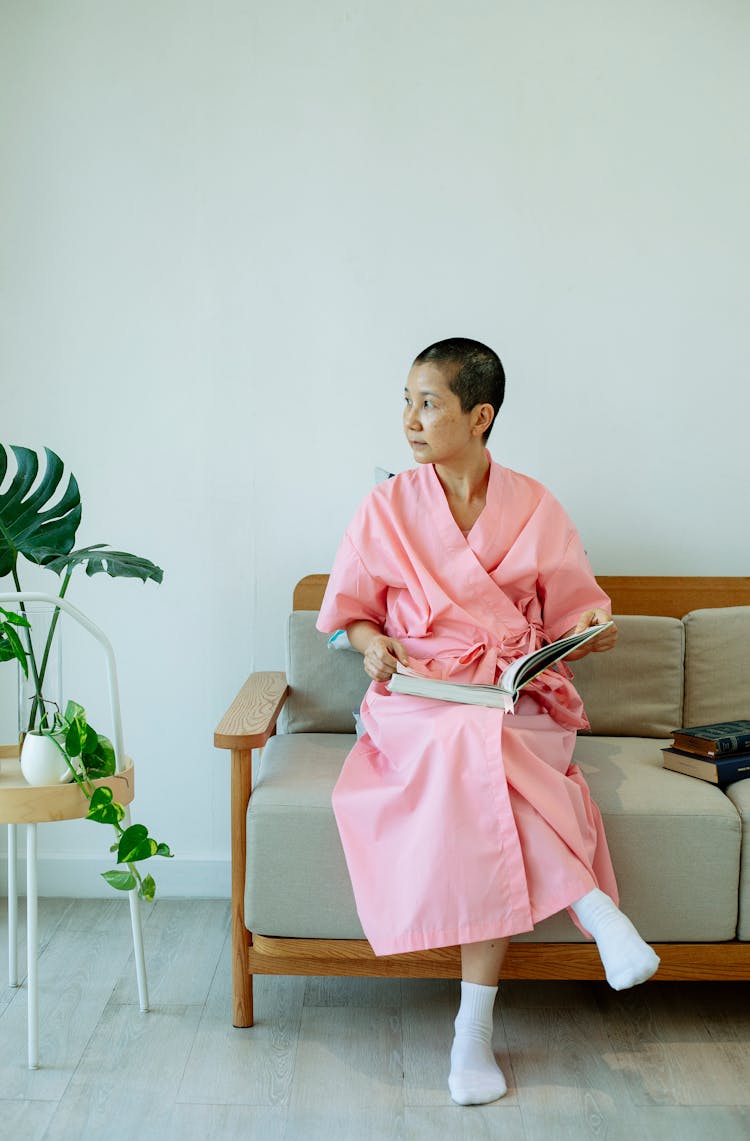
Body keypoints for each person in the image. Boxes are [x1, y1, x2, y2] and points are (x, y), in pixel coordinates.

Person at [316, 338, 659, 1106]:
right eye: (405, 401)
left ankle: (473, 1032)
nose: (409, 419)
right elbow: (352, 618)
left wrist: (595, 624)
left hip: (511, 698)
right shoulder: (386, 507)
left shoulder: (536, 505)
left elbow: (577, 609)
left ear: (480, 416)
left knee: (487, 753)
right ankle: (596, 913)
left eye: (427, 402)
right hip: (421, 699)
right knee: (466, 752)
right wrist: (375, 649)